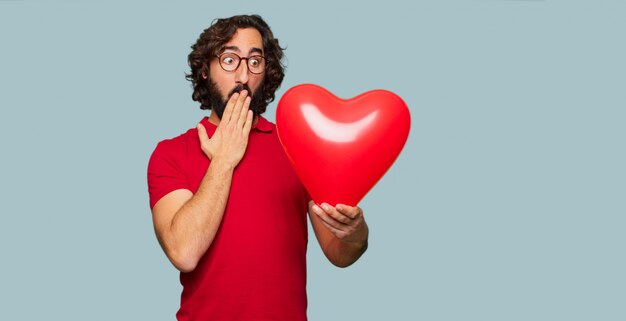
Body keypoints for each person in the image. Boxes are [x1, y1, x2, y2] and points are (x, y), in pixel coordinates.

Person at [147, 14, 369, 321]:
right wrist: (224, 160)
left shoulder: (297, 146)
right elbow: (184, 252)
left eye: (254, 61)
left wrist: (356, 234)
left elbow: (340, 254)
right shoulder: (170, 154)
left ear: (266, 72)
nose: (242, 74)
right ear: (204, 71)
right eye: (229, 59)